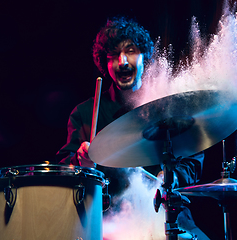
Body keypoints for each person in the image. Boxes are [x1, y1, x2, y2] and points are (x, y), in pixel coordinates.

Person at [56, 16, 209, 239]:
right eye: (113, 55)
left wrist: (168, 177)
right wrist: (80, 163)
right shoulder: (85, 114)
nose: (123, 61)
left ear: (144, 56)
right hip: (109, 221)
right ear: (104, 63)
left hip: (168, 215)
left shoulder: (165, 106)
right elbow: (63, 175)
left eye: (130, 51)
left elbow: (192, 161)